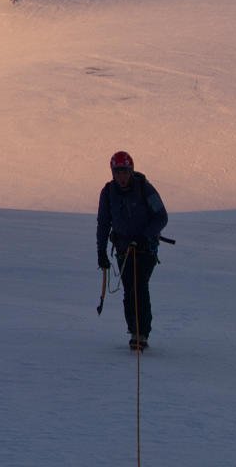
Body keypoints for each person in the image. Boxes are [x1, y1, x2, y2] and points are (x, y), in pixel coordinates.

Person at [96, 150, 168, 351]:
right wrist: (101, 251)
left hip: (146, 248)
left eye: (125, 171)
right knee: (130, 288)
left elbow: (161, 217)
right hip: (123, 249)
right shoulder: (108, 193)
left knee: (139, 286)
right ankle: (134, 330)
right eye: (118, 172)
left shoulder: (145, 189)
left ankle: (142, 333)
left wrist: (145, 236)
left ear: (131, 170)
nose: (122, 176)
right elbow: (103, 223)